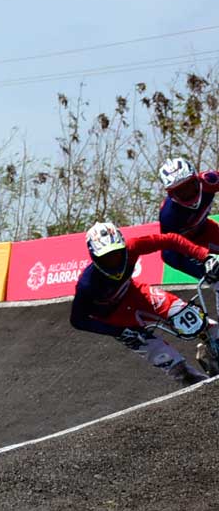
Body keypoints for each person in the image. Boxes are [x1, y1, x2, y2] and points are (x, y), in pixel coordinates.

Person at [70, 221, 219, 384]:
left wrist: (204, 257)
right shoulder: (87, 284)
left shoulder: (132, 247)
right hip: (116, 321)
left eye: (117, 254)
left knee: (194, 318)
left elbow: (171, 239)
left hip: (138, 295)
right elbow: (78, 320)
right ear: (94, 257)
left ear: (123, 247)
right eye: (106, 258)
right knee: (170, 362)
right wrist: (117, 331)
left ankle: (211, 353)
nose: (114, 261)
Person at [155, 157, 219, 278]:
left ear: (197, 178)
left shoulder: (209, 180)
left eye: (190, 186)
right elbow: (169, 251)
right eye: (181, 192)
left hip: (205, 230)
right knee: (214, 275)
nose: (188, 193)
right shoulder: (168, 214)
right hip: (185, 247)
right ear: (171, 194)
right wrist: (203, 264)